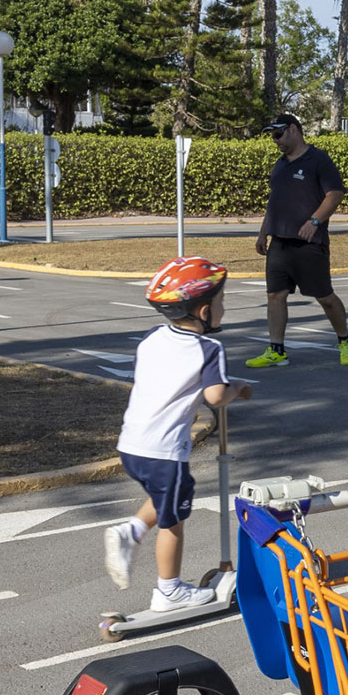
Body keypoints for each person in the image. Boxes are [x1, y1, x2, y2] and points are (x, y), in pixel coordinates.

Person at [103, 256, 253, 608]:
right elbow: (216, 397)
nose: (223, 307)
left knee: (170, 495)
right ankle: (168, 591)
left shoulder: (151, 339)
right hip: (164, 450)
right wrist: (239, 389)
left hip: (132, 445)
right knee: (173, 520)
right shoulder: (209, 349)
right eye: (220, 302)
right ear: (203, 312)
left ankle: (132, 532)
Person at [249, 113, 348, 369]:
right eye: (272, 136)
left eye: (278, 134)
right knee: (275, 295)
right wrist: (263, 232)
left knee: (325, 297)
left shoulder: (318, 160)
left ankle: (345, 341)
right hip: (279, 242)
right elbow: (274, 201)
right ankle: (277, 350)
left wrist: (314, 221)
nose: (275, 141)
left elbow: (335, 194)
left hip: (309, 244)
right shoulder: (280, 164)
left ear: (293, 130)